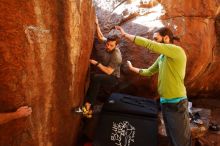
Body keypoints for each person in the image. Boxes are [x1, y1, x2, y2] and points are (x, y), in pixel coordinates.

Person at [115, 26, 191, 146]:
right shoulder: (162, 57)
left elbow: (149, 44)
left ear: (166, 38)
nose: (154, 42)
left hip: (177, 103)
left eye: (156, 39)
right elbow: (149, 71)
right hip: (165, 102)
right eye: (153, 39)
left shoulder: (177, 51)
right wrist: (132, 68)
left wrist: (125, 35)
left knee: (181, 142)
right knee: (172, 138)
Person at [75, 17, 122, 118]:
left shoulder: (116, 56)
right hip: (105, 72)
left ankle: (86, 109)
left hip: (113, 77)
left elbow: (109, 71)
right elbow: (101, 37)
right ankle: (89, 108)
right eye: (108, 44)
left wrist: (96, 63)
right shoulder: (108, 42)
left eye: (111, 45)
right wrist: (96, 24)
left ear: (116, 45)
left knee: (96, 78)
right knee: (93, 77)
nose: (108, 47)